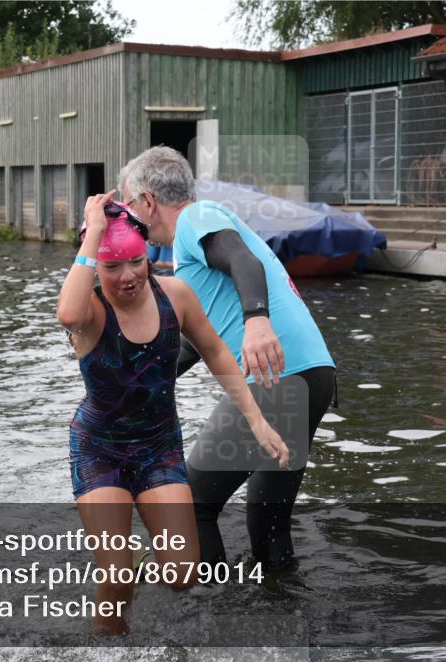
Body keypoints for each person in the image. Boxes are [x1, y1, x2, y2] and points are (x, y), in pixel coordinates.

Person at [56, 194, 289, 635]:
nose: (128, 277)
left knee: (183, 572)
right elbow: (65, 312)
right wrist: (93, 231)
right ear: (94, 268)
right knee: (117, 576)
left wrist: (257, 419)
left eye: (136, 262)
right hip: (100, 451)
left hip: (159, 447)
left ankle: (129, 566)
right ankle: (105, 650)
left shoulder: (175, 296)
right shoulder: (89, 312)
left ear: (149, 256)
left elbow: (216, 350)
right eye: (112, 267)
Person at [119, 146, 337, 570]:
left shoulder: (194, 220)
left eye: (129, 205)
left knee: (192, 504)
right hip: (312, 376)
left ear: (148, 201)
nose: (129, 217)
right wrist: (139, 383)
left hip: (278, 377)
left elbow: (242, 258)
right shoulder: (190, 256)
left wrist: (257, 321)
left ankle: (209, 613)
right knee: (267, 519)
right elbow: (197, 343)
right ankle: (281, 612)